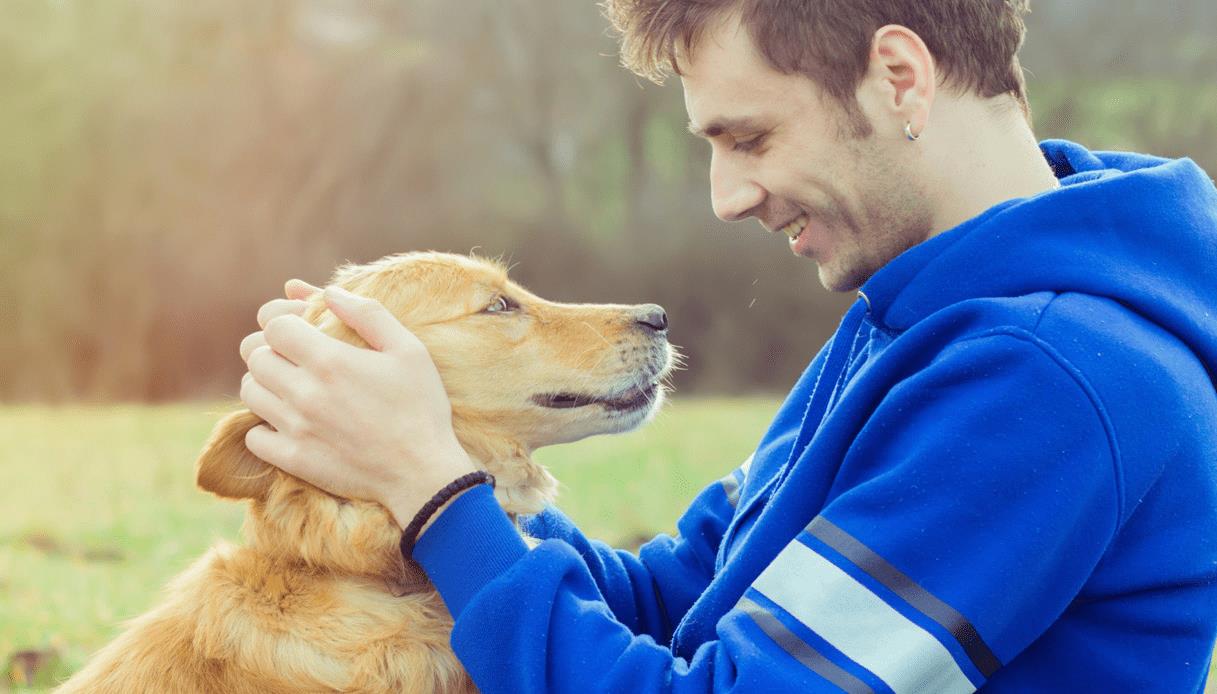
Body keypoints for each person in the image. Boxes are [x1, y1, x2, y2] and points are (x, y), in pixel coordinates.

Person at [237, 1, 1217, 690]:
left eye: (747, 139)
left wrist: (430, 489)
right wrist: (431, 462)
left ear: (898, 78)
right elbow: (669, 596)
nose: (724, 197)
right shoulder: (919, 317)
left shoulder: (1045, 380)